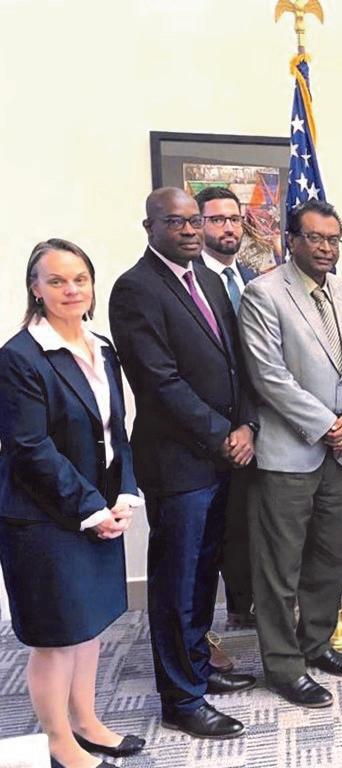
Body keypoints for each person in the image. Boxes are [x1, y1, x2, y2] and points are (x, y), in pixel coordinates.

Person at [109, 188, 257, 740]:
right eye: (176, 222)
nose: (191, 230)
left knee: (202, 575)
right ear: (149, 226)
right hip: (178, 464)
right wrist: (223, 435)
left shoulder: (210, 282)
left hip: (223, 459)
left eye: (195, 220)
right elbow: (159, 382)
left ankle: (198, 667)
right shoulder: (135, 289)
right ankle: (180, 699)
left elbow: (238, 364)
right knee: (176, 583)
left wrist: (248, 426)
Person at [0, 240, 146, 768]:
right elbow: (30, 448)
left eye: (79, 279)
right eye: (56, 280)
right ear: (35, 288)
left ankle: (86, 721)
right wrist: (91, 508)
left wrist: (123, 493)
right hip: (43, 518)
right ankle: (59, 741)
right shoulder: (19, 357)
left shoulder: (101, 346)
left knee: (89, 626)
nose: (70, 290)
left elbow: (116, 430)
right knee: (57, 637)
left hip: (96, 510)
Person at [238, 199, 342, 709]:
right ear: (291, 240)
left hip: (341, 451)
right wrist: (324, 426)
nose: (326, 248)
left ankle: (316, 643)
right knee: (279, 568)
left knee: (330, 558)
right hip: (289, 453)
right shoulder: (263, 293)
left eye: (333, 239)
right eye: (315, 237)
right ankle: (283, 666)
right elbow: (268, 375)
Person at [195, 186, 259, 676]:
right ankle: (197, 641)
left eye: (234, 218)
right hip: (203, 439)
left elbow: (258, 363)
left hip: (253, 430)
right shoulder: (188, 281)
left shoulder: (253, 279)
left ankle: (243, 606)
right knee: (201, 548)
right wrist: (227, 431)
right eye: (216, 219)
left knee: (244, 528)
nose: (228, 227)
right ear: (198, 226)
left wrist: (251, 425)